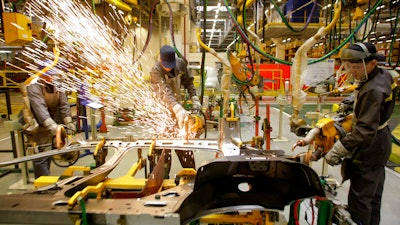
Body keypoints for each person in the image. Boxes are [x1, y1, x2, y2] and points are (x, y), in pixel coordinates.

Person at [324, 42, 396, 225]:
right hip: (381, 144)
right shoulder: (381, 75)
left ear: (372, 63)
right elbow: (367, 92)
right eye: (350, 67)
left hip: (369, 149)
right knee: (374, 196)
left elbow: (364, 130)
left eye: (356, 67)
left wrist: (340, 148)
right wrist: (352, 100)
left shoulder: (373, 90)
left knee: (361, 200)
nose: (352, 71)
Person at [20, 61, 74, 179]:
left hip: (50, 118)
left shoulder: (58, 83)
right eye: (49, 75)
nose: (52, 77)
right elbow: (40, 109)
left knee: (49, 149)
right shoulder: (34, 85)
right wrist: (52, 126)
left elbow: (64, 104)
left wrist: (68, 122)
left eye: (53, 74)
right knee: (40, 152)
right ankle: (42, 186)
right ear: (41, 74)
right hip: (34, 121)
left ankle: (46, 178)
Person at [150, 45, 201, 129]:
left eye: (170, 65)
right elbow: (164, 92)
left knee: (180, 130)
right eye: (166, 65)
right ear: (161, 60)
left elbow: (188, 82)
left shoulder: (180, 64)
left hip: (177, 104)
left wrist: (194, 96)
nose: (168, 68)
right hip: (162, 107)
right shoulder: (156, 71)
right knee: (163, 133)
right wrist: (176, 108)